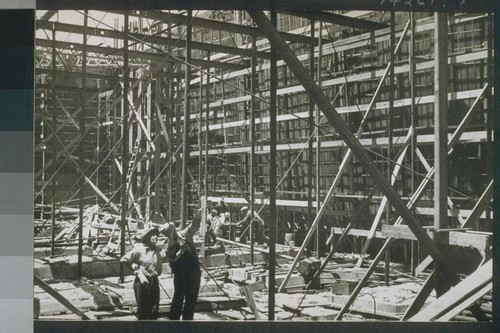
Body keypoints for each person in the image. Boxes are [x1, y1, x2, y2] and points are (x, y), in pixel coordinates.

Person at [163, 209, 202, 320]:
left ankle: (187, 323)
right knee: (178, 299)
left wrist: (198, 216)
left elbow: (193, 227)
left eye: (173, 230)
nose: (173, 232)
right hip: (181, 276)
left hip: (194, 273)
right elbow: (171, 258)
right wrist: (181, 251)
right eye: (170, 232)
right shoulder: (168, 243)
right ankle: (174, 324)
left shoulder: (183, 235)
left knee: (191, 299)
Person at [120, 227, 166, 320]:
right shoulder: (139, 250)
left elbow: (166, 256)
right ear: (146, 238)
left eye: (155, 235)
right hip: (142, 282)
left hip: (154, 282)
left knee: (154, 310)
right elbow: (123, 260)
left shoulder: (158, 251)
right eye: (152, 235)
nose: (155, 237)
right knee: (143, 311)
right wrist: (135, 270)